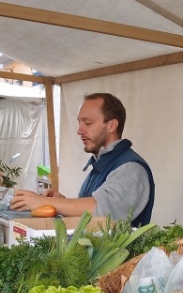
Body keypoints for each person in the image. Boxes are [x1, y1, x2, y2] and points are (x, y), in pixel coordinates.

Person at [10, 92, 155, 226]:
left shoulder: (130, 168)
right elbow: (88, 213)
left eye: (88, 123)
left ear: (111, 125)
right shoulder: (103, 162)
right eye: (79, 123)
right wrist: (61, 202)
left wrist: (43, 202)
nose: (79, 131)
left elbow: (101, 210)